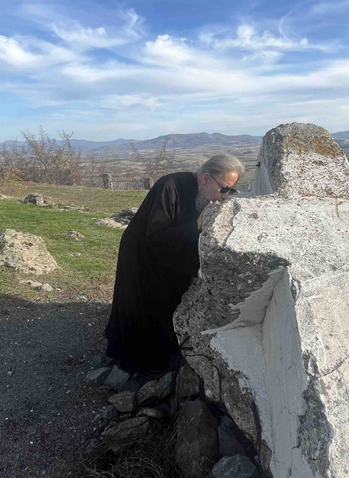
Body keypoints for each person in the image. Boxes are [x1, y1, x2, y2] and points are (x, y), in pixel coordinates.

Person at [104, 154, 244, 377]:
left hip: (168, 259)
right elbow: (157, 236)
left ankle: (167, 356)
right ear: (206, 178)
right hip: (143, 257)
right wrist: (196, 225)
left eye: (231, 191)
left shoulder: (204, 193)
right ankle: (141, 365)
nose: (225, 196)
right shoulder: (169, 187)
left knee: (166, 305)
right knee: (141, 307)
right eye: (224, 188)